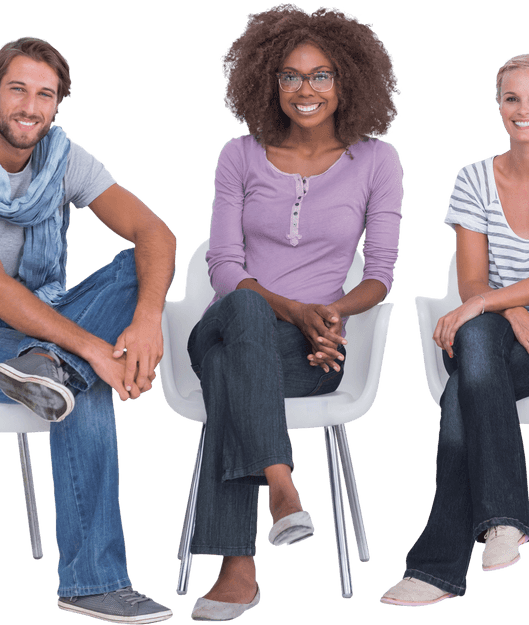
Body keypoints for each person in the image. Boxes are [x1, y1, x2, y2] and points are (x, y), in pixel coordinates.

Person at [0, 37, 176, 623]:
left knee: (135, 270)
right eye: (17, 89)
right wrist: (97, 350)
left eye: (44, 94)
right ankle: (93, 583)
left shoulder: (64, 160)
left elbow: (156, 234)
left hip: (36, 322)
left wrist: (147, 321)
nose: (30, 105)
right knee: (85, 386)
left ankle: (49, 367)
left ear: (56, 105)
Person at [184, 5, 403, 621]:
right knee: (246, 312)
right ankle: (281, 483)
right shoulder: (240, 155)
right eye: (290, 76)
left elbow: (381, 271)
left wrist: (327, 314)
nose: (305, 90)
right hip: (229, 322)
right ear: (268, 82)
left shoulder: (378, 163)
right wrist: (295, 309)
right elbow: (225, 264)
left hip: (312, 350)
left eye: (322, 75)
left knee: (232, 374)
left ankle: (238, 569)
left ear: (347, 82)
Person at [380, 53, 529, 607]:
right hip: (496, 334)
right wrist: (509, 311)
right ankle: (503, 521)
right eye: (512, 97)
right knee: (478, 339)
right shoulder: (473, 178)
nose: (524, 109)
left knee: (465, 381)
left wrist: (489, 306)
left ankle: (437, 567)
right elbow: (473, 280)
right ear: (498, 104)